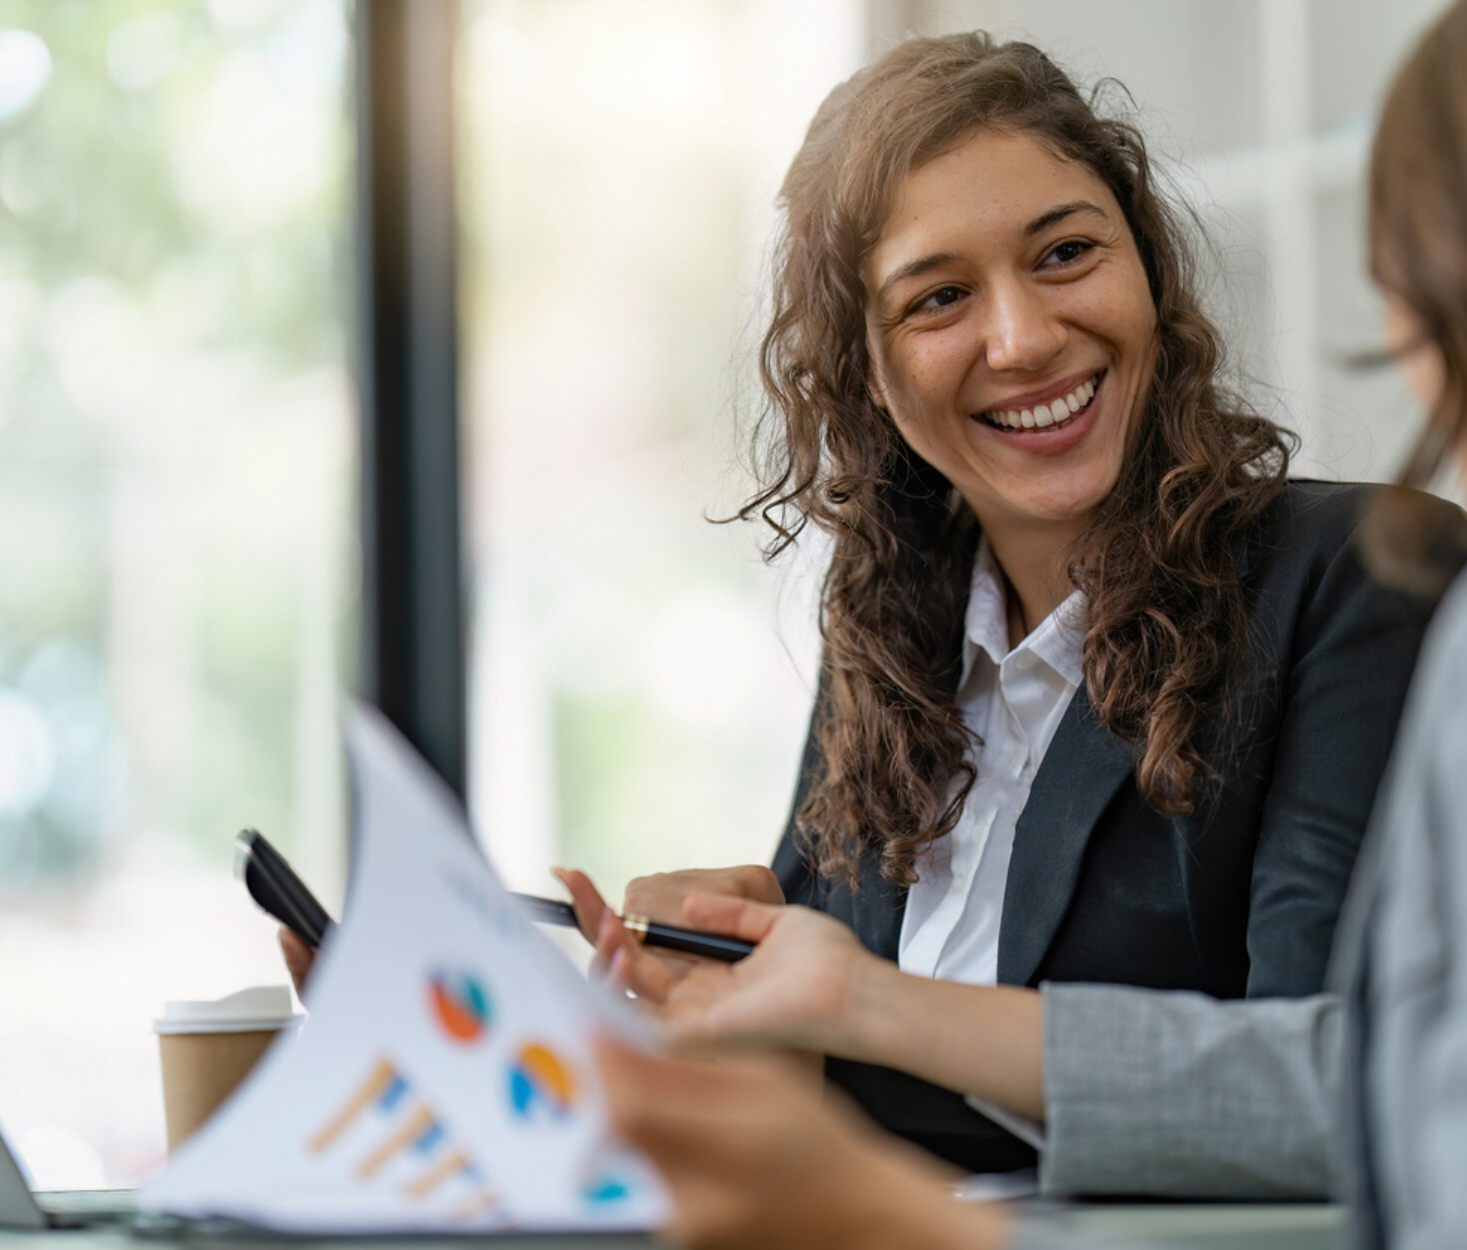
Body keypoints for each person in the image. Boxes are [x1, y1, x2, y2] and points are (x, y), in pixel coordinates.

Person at [590, 2, 1467, 1246]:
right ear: (866, 376)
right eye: (939, 297)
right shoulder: (891, 642)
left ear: (1150, 275)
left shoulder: (1362, 578)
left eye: (1064, 254)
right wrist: (698, 989)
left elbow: (1352, 1082)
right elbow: (821, 1101)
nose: (1023, 335)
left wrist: (862, 998)